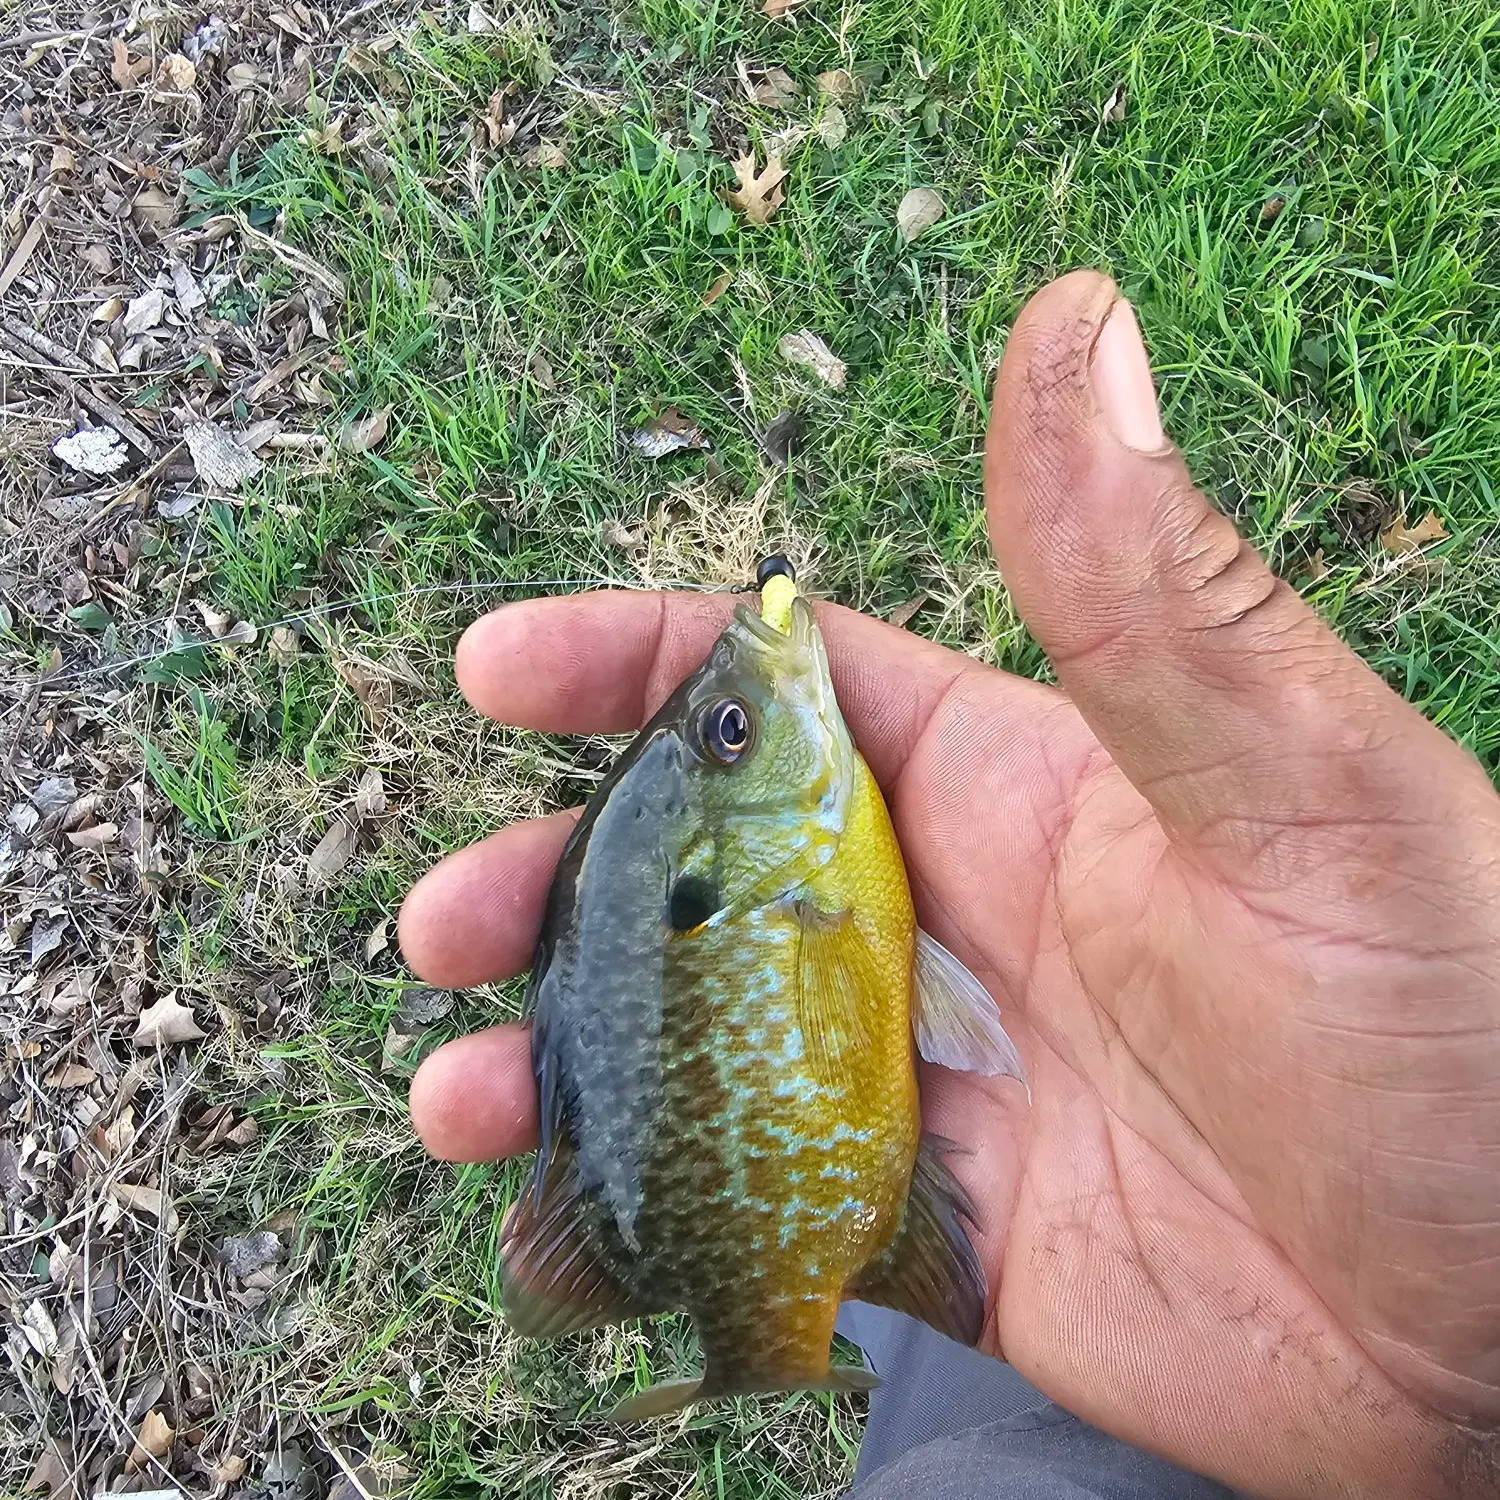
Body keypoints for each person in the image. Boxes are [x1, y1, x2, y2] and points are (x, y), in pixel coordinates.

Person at [396, 271, 1500, 1499]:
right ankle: (830, 1308)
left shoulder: (805, 864)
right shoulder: (812, 866)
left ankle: (853, 1313)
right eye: (729, 737)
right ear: (716, 863)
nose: (749, 696)